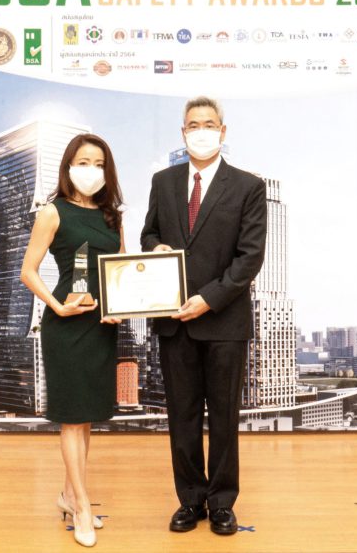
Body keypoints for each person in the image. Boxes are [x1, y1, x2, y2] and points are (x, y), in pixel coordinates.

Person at [140, 96, 267, 536]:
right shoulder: (163, 182)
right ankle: (190, 500)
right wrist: (155, 247)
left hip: (224, 320)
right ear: (183, 132)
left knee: (225, 418)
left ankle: (222, 502)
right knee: (183, 417)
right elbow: (149, 233)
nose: (201, 131)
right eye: (193, 124)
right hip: (173, 319)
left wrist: (208, 299)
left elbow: (249, 258)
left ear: (222, 131)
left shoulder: (248, 186)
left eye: (208, 124)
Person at [20, 134, 124, 548]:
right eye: (83, 162)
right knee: (71, 418)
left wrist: (118, 308)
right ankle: (81, 505)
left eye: (99, 164)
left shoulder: (113, 217)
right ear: (68, 167)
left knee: (86, 418)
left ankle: (67, 494)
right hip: (66, 325)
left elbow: (120, 269)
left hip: (102, 326)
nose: (91, 170)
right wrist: (57, 306)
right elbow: (28, 271)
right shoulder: (52, 212)